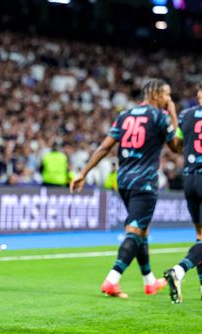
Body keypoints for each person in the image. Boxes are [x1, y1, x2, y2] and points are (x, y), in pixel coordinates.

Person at [70, 79, 179, 298]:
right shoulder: (160, 116)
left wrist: (83, 173)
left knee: (142, 230)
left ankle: (149, 281)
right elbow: (176, 147)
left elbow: (104, 147)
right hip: (145, 181)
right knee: (135, 230)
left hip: (124, 180)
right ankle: (113, 279)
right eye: (167, 95)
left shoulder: (125, 115)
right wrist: (174, 114)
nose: (169, 99)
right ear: (156, 94)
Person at [163, 81, 202, 303]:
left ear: (199, 95)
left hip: (189, 179)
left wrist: (174, 116)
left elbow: (176, 146)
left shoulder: (187, 115)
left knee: (200, 237)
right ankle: (179, 270)